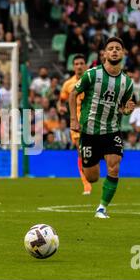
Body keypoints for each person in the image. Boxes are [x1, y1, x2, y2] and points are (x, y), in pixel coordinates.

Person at [69, 37, 135, 219]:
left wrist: (127, 111)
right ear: (105, 54)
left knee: (114, 167)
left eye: (118, 48)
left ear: (122, 53)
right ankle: (90, 169)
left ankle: (102, 208)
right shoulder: (92, 74)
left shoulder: (127, 83)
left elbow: (123, 106)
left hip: (111, 131)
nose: (114, 51)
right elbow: (73, 93)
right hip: (89, 132)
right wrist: (73, 119)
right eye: (111, 48)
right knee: (92, 177)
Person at [58, 54, 91, 195]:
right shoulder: (68, 84)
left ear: (85, 65)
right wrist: (60, 107)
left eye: (81, 63)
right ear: (73, 66)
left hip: (92, 120)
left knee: (92, 152)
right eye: (76, 63)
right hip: (76, 122)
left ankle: (92, 173)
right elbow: (61, 100)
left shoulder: (91, 80)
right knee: (81, 151)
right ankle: (86, 183)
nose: (78, 66)